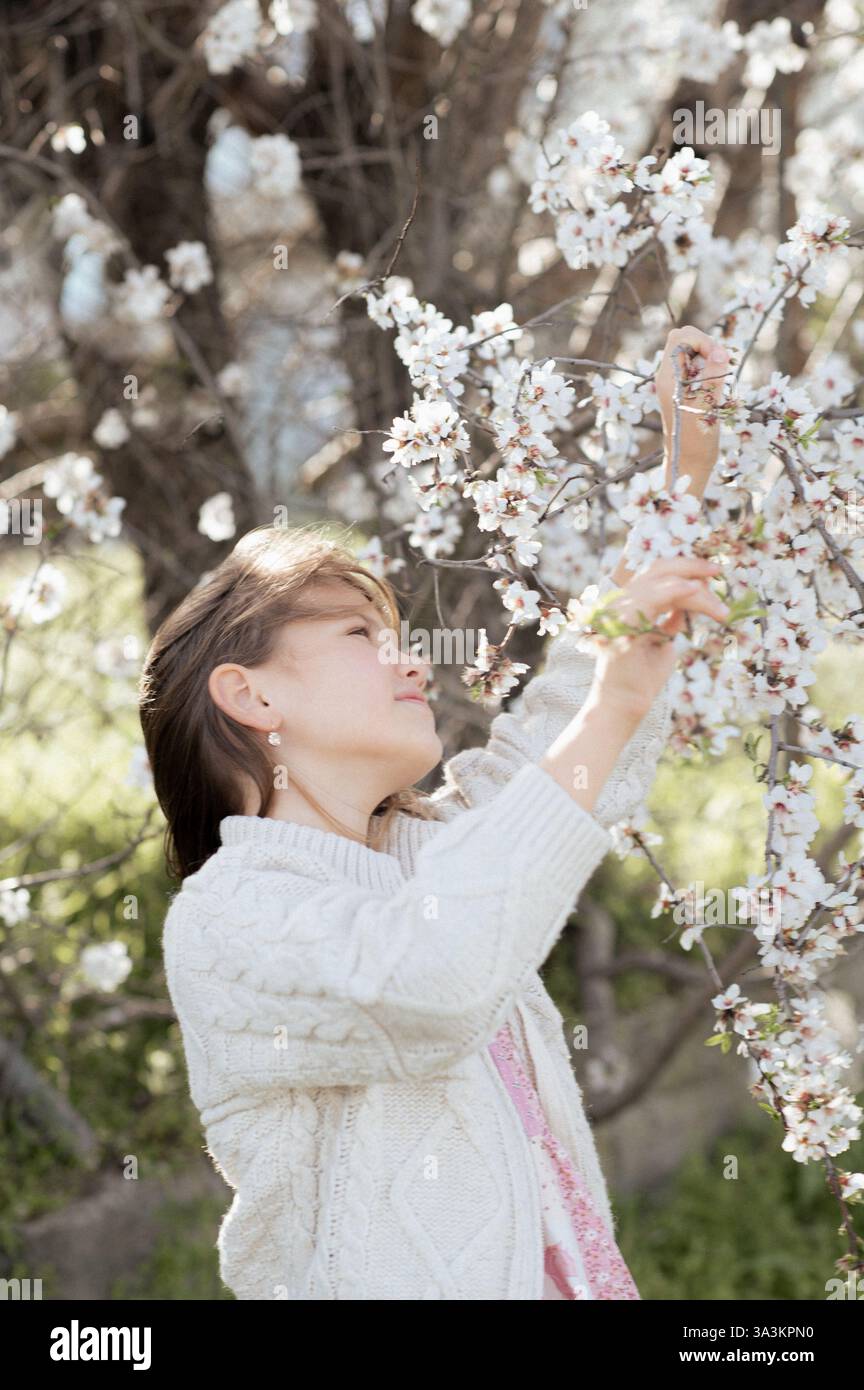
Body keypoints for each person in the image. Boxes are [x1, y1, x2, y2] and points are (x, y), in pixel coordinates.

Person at [140, 329, 730, 1300]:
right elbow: (430, 974)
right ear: (251, 697)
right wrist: (611, 701)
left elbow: (571, 742)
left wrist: (682, 471)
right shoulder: (226, 922)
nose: (412, 661)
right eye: (362, 636)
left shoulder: (438, 849)